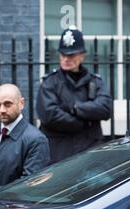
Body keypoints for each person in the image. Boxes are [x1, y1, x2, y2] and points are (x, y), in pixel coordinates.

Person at [36, 26, 113, 164]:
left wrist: (74, 108)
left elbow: (106, 108)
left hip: (90, 153)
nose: (66, 59)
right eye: (63, 54)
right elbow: (50, 115)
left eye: (71, 55)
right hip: (58, 154)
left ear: (82, 55)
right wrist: (86, 121)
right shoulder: (50, 82)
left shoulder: (95, 81)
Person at [0, 84, 50, 199]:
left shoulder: (36, 140)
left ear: (21, 103)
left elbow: (30, 184)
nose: (2, 110)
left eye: (8, 104)